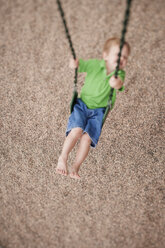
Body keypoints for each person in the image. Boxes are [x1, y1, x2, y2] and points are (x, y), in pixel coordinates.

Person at [56, 37, 130, 179]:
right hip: (82, 105)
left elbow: (120, 84)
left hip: (99, 111)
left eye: (125, 57)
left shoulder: (119, 73)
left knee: (87, 139)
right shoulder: (95, 65)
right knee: (76, 131)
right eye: (118, 54)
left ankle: (76, 167)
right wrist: (74, 64)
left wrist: (116, 83)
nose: (122, 59)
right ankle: (63, 158)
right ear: (105, 55)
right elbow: (80, 65)